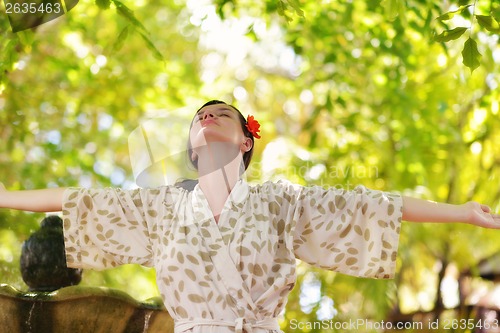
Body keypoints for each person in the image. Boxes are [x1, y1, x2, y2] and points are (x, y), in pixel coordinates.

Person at [1, 100, 499, 333]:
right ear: (192, 148)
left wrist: (462, 213)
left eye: (221, 113)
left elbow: (373, 206)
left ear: (245, 140)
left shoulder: (282, 202)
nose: (207, 115)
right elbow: (79, 199)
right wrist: (5, 197)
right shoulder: (161, 208)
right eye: (200, 115)